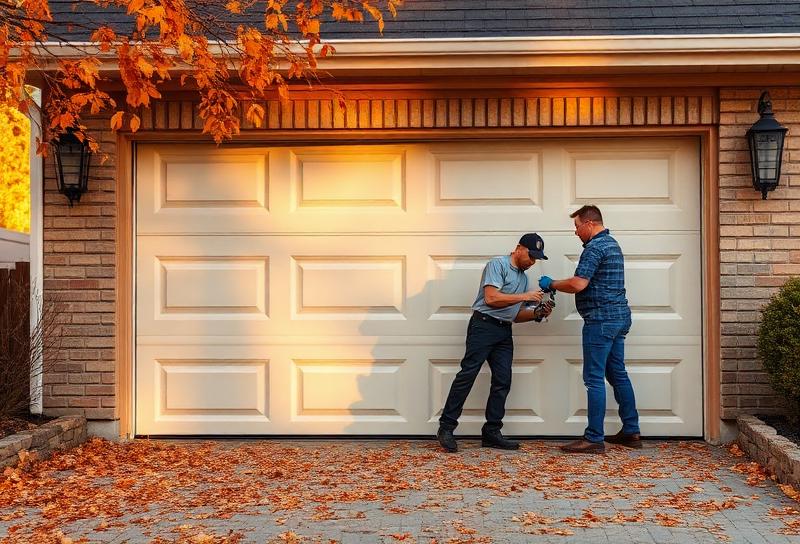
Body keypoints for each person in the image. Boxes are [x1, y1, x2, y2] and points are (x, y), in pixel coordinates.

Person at [538, 205, 641, 454]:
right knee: (617, 373)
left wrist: (551, 283)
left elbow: (578, 284)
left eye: (577, 227)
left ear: (590, 224)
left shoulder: (594, 248)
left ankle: (594, 437)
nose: (576, 233)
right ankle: (631, 430)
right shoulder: (613, 244)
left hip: (601, 320)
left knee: (593, 378)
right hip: (619, 318)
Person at [437, 233, 553, 453]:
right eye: (531, 256)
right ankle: (446, 427)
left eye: (536, 259)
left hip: (503, 331)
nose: (532, 262)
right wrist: (525, 296)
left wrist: (537, 313)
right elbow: (491, 298)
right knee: (467, 375)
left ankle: (491, 432)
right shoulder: (497, 264)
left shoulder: (522, 278)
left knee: (503, 380)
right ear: (519, 248)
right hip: (483, 326)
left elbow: (515, 314)